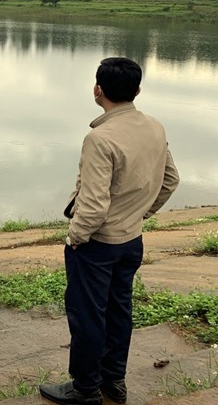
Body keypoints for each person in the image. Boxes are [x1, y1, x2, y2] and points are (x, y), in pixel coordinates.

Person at [39, 57, 179, 405]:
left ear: (97, 90)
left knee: (87, 315)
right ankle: (114, 380)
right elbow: (171, 180)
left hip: (97, 245)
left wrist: (75, 238)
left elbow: (94, 205)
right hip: (131, 240)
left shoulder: (100, 139)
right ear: (138, 90)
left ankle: (86, 387)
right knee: (119, 310)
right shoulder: (155, 127)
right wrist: (142, 213)